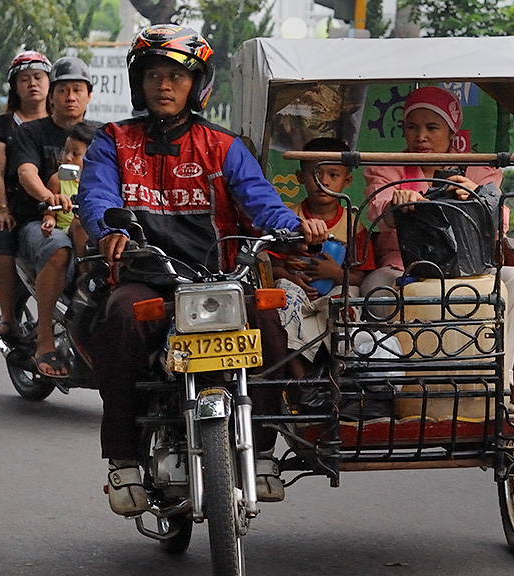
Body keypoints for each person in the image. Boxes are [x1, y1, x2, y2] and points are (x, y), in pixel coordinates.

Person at [77, 24, 328, 515]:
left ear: (198, 85)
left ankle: (263, 454)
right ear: (138, 82)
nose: (163, 86)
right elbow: (98, 195)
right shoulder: (113, 141)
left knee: (272, 330)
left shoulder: (223, 146)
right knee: (120, 321)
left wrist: (295, 227)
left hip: (222, 284)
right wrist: (109, 228)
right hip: (146, 281)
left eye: (176, 75)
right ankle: (124, 459)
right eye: (153, 75)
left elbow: (263, 204)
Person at [362, 86, 514, 383]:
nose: (421, 137)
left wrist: (471, 194)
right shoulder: (388, 166)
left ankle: (499, 380)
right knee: (376, 288)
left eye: (432, 128)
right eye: (413, 128)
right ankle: (404, 381)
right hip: (404, 271)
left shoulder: (479, 168)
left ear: (451, 131)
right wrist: (396, 204)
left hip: (470, 272)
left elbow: (499, 222)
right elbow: (377, 212)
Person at [8, 56, 93, 377]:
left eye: (77, 90)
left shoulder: (102, 136)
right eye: (63, 90)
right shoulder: (31, 132)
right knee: (59, 248)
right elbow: (26, 171)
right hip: (40, 222)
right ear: (51, 95)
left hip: (87, 220)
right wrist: (48, 198)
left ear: (89, 96)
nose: (70, 97)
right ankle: (45, 340)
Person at [272, 137, 375, 380]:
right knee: (282, 294)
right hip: (298, 291)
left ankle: (338, 378)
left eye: (333, 175)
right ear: (300, 177)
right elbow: (273, 267)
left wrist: (335, 273)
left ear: (347, 180)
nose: (324, 182)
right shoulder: (288, 218)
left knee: (347, 300)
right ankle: (300, 382)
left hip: (334, 291)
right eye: (315, 174)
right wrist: (290, 278)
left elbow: (361, 276)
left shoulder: (353, 225)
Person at [0, 51, 52, 338]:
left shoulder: (60, 123)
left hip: (58, 208)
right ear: (15, 87)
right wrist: (2, 209)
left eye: (38, 78)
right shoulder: (3, 125)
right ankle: (8, 316)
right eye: (24, 79)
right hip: (18, 208)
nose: (32, 84)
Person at [43, 121, 99, 263]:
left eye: (75, 154)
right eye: (66, 151)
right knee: (80, 223)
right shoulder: (57, 180)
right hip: (70, 229)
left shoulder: (101, 181)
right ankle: (84, 271)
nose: (68, 157)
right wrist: (49, 221)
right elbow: (49, 214)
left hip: (97, 227)